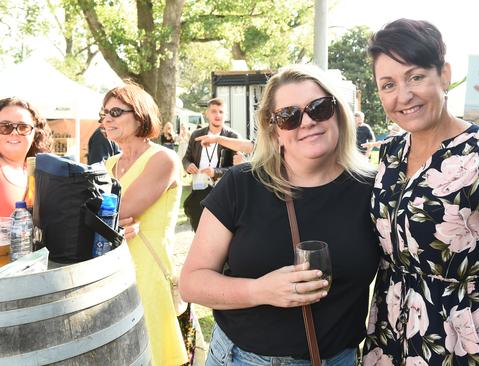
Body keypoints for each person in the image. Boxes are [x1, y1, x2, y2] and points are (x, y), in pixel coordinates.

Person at [362, 19, 479, 365]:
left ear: (444, 75)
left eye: (416, 77)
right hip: (387, 345)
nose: (404, 95)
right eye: (388, 85)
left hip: (461, 349)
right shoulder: (390, 153)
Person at [179, 64, 380, 365]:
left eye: (319, 108)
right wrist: (259, 290)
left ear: (338, 111)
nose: (308, 121)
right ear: (274, 130)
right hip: (243, 359)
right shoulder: (242, 184)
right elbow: (192, 282)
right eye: (289, 116)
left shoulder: (373, 189)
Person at [100, 83, 188, 365]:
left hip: (149, 268)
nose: (107, 119)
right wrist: (109, 221)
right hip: (111, 268)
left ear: (140, 115)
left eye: (115, 111)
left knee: (154, 350)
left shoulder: (163, 158)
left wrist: (106, 219)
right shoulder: (108, 164)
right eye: (103, 113)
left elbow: (121, 209)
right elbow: (103, 217)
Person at [182, 98, 240, 231]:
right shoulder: (196, 135)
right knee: (198, 228)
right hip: (199, 191)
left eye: (221, 112)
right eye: (214, 111)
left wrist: (216, 172)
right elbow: (186, 158)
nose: (218, 115)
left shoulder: (233, 137)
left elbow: (238, 169)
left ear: (226, 115)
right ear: (206, 113)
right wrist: (188, 165)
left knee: (220, 231)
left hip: (223, 191)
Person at [0, 97, 52, 217]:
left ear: (36, 133)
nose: (14, 132)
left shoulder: (41, 173)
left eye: (23, 127)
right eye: (4, 127)